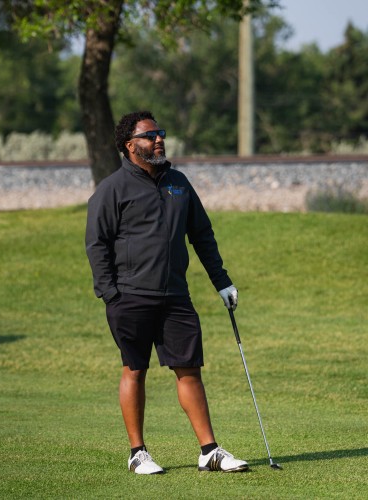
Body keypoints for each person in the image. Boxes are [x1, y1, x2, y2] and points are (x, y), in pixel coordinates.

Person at [85, 111, 248, 475]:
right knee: (135, 369)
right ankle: (137, 453)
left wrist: (222, 281)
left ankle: (209, 451)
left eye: (160, 133)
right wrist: (110, 293)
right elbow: (97, 244)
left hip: (175, 295)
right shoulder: (112, 189)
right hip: (130, 296)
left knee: (190, 370)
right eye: (150, 135)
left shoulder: (179, 183)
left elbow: (202, 235)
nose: (159, 139)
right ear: (131, 145)